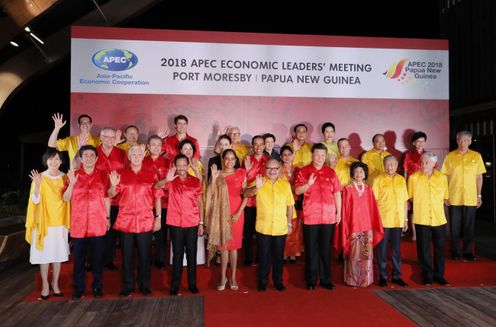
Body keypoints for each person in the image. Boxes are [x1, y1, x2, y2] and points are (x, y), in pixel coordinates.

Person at [109, 146, 162, 297]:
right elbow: (111, 194)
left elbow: (157, 196)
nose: (137, 156)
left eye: (139, 154)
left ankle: (144, 285)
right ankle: (128, 285)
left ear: (143, 156)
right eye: (134, 154)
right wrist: (113, 185)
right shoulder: (120, 174)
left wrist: (158, 218)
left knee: (145, 256)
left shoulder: (151, 174)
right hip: (126, 221)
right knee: (127, 256)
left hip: (145, 220)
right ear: (129, 157)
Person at [62, 145, 110, 299]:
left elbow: (106, 198)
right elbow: (65, 198)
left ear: (96, 159)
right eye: (85, 155)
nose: (89, 158)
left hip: (98, 222)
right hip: (78, 223)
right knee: (79, 260)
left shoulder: (103, 175)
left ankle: (97, 287)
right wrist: (71, 183)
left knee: (97, 258)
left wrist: (108, 218)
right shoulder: (72, 175)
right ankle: (79, 289)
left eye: (91, 155)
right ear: (80, 159)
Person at [295, 143, 342, 290]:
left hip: (328, 216)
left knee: (325, 249)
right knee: (311, 249)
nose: (320, 158)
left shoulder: (331, 172)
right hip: (311, 216)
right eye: (317, 155)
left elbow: (337, 193)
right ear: (312, 155)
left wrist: (339, 212)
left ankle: (326, 280)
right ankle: (311, 280)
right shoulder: (304, 171)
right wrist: (308, 184)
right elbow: (297, 190)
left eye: (323, 155)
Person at [25, 149, 70, 300]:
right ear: (46, 161)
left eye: (57, 159)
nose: (54, 161)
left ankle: (55, 284)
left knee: (57, 255)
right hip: (44, 221)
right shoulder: (40, 177)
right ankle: (45, 285)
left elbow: (68, 199)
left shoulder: (65, 177)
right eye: (50, 159)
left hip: (60, 222)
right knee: (44, 256)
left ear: (61, 161)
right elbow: (35, 201)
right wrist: (37, 185)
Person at [244, 158, 295, 291]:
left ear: (279, 170)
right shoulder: (259, 181)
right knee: (263, 256)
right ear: (264, 169)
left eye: (275, 168)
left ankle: (278, 281)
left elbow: (290, 205)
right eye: (269, 168)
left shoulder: (285, 184)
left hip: (280, 227)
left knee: (278, 257)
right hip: (263, 227)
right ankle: (262, 281)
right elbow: (245, 194)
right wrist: (256, 187)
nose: (272, 171)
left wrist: (289, 223)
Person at [160, 154, 204, 295]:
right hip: (175, 223)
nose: (181, 168)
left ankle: (192, 284)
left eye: (184, 165)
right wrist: (166, 179)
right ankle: (175, 285)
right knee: (177, 255)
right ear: (174, 166)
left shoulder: (196, 181)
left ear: (188, 165)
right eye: (178, 165)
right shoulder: (171, 181)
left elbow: (200, 203)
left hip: (192, 222)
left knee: (192, 254)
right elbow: (156, 186)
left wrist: (201, 222)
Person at [335, 161, 383, 287]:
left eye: (361, 171)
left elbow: (373, 210)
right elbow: (345, 210)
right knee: (354, 255)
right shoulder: (348, 189)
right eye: (356, 172)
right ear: (352, 174)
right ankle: (354, 280)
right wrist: (346, 225)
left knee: (366, 255)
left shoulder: (369, 190)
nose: (358, 174)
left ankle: (365, 280)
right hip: (353, 226)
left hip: (367, 227)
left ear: (365, 173)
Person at [205, 149, 248, 291]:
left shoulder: (241, 173)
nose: (229, 161)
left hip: (237, 213)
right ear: (222, 160)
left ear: (236, 160)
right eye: (227, 159)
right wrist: (214, 178)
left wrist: (238, 213)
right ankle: (223, 277)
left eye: (232, 159)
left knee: (234, 248)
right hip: (221, 214)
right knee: (223, 248)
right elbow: (210, 194)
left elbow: (246, 194)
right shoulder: (218, 174)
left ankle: (233, 277)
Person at [441, 131, 486, 261]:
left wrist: (479, 195)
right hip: (454, 196)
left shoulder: (476, 156)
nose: (463, 143)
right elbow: (445, 176)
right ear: (457, 141)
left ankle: (467, 251)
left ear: (470, 142)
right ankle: (455, 251)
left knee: (469, 225)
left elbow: (479, 177)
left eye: (466, 140)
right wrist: (446, 195)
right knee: (454, 226)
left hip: (471, 196)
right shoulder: (450, 156)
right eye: (460, 140)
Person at [408, 152, 450, 285]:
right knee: (423, 248)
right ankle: (427, 275)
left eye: (427, 162)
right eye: (422, 162)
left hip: (438, 218)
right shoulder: (413, 177)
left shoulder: (442, 177)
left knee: (439, 248)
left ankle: (440, 275)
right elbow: (411, 197)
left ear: (434, 164)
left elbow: (445, 197)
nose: (423, 164)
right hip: (422, 217)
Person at [372, 155, 409, 288]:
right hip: (383, 220)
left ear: (397, 165)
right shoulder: (378, 179)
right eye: (387, 164)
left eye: (392, 164)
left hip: (398, 220)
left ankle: (396, 276)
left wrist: (405, 219)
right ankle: (382, 276)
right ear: (383, 165)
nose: (390, 167)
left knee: (396, 251)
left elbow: (405, 201)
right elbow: (373, 202)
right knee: (381, 251)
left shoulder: (401, 180)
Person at [96, 127, 128, 271]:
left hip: (117, 198)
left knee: (111, 232)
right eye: (106, 137)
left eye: (112, 137)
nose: (109, 140)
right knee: (96, 229)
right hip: (97, 198)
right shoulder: (93, 152)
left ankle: (109, 259)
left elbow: (127, 173)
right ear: (101, 137)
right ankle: (93, 259)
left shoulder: (121, 153)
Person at [143, 135, 171, 269]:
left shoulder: (167, 162)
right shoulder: (141, 161)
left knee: (161, 233)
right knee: (146, 234)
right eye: (153, 144)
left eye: (158, 145)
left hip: (164, 202)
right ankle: (146, 258)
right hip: (145, 203)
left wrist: (160, 185)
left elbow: (169, 183)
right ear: (148, 146)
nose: (156, 147)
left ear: (162, 147)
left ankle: (160, 259)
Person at [242, 135, 269, 266]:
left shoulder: (269, 161)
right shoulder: (247, 159)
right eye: (256, 144)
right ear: (252, 146)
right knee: (247, 232)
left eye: (261, 144)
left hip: (264, 202)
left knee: (262, 232)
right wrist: (247, 171)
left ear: (264, 146)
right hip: (249, 202)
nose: (258, 147)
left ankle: (260, 258)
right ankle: (248, 258)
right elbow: (242, 182)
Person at [403, 131, 428, 241]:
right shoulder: (408, 155)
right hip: (413, 187)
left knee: (425, 209)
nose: (420, 143)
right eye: (418, 141)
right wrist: (405, 188)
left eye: (423, 141)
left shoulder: (428, 155)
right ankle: (414, 233)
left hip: (426, 187)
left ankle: (424, 233)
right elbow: (405, 172)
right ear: (414, 143)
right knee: (413, 210)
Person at [279, 145, 302, 263]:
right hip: (282, 203)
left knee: (295, 229)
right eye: (285, 155)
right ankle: (283, 253)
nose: (287, 157)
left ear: (293, 156)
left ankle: (293, 254)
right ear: (281, 157)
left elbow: (299, 187)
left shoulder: (297, 169)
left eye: (289, 154)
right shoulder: (278, 170)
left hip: (296, 201)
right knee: (284, 228)